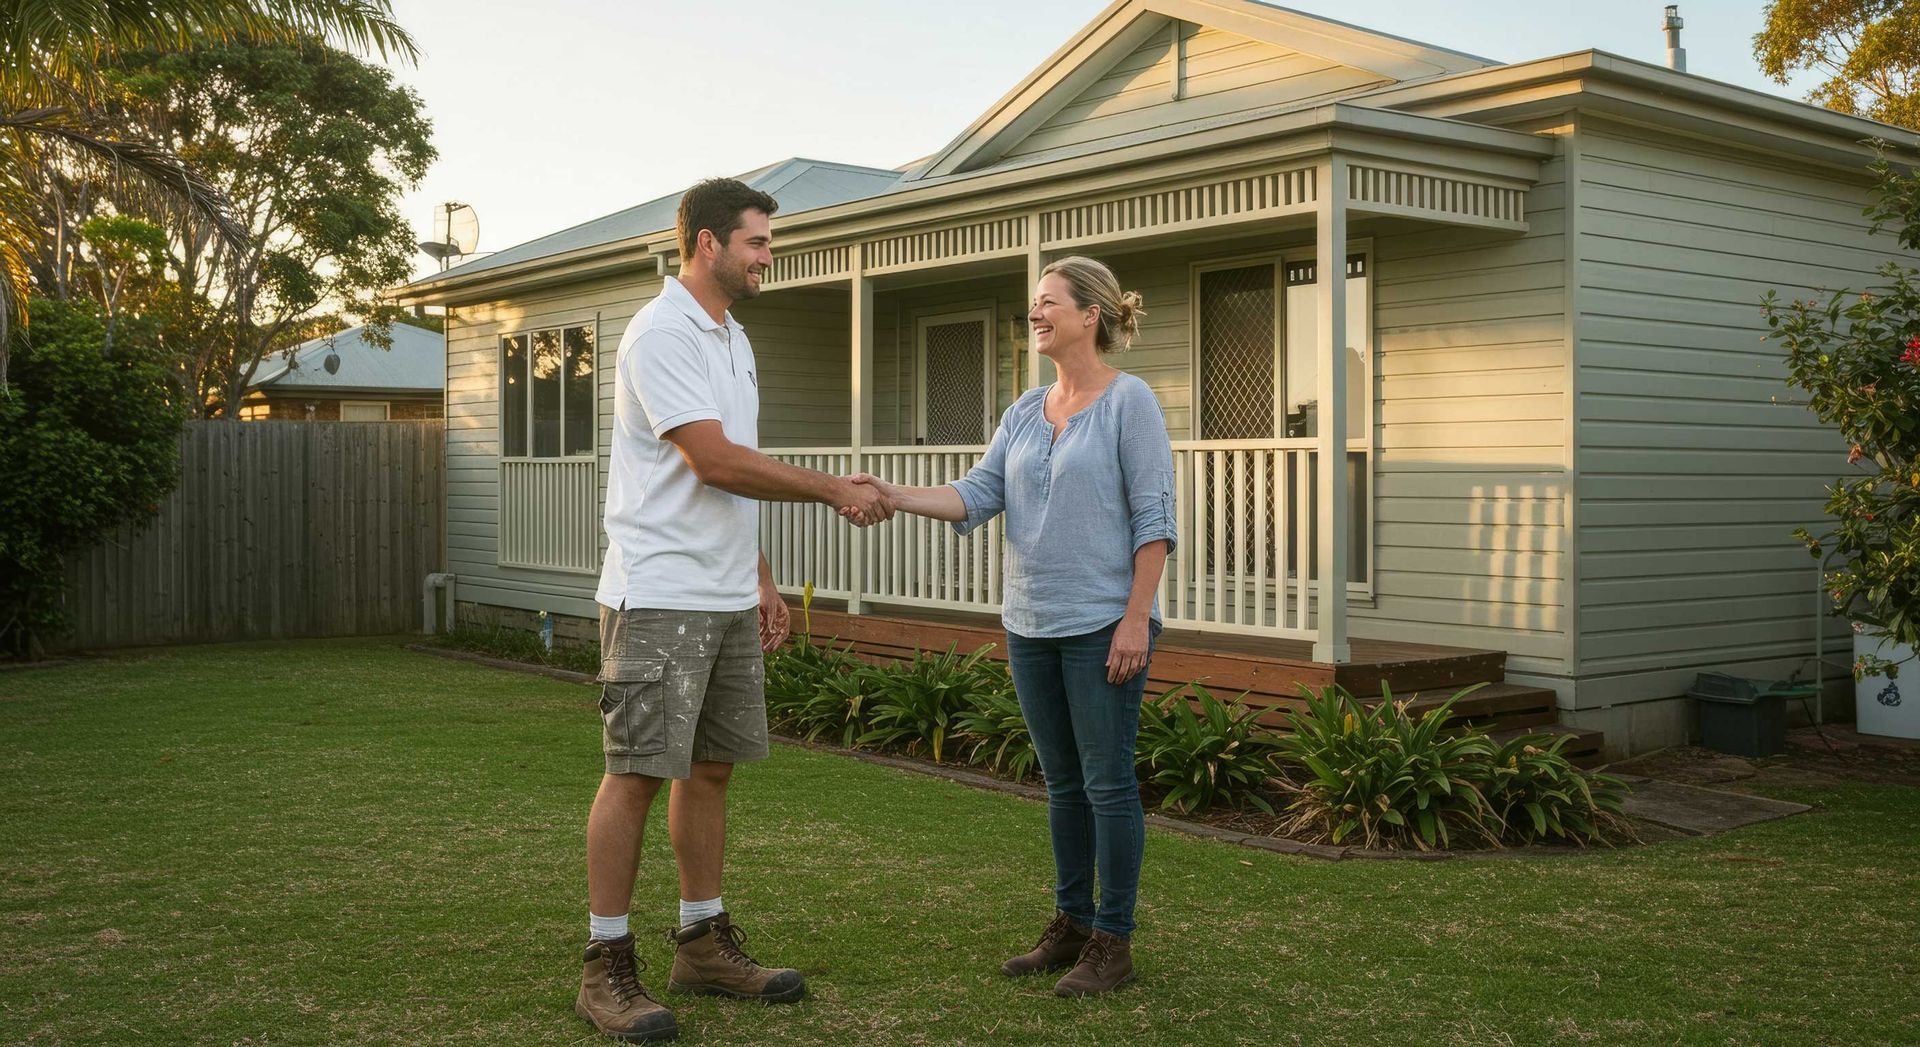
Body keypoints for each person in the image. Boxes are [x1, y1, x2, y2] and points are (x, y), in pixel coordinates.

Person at [576, 177, 892, 1043]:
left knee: (711, 768)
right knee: (637, 773)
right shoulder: (662, 332)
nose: (767, 256)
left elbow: (731, 468)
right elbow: (711, 460)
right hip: (660, 590)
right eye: (757, 241)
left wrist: (758, 573)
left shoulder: (734, 337)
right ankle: (604, 965)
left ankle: (702, 941)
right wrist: (833, 488)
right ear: (708, 242)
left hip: (720, 590)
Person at [845, 255, 1175, 997]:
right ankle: (1072, 922)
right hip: (1030, 622)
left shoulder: (1131, 403)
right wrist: (891, 492)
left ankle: (1113, 941)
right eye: (1034, 303)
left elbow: (1155, 521)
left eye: (1048, 303)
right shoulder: (1025, 411)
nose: (1036, 313)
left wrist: (1134, 619)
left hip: (1103, 625)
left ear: (1089, 315)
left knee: (1108, 782)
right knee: (1063, 782)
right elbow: (976, 493)